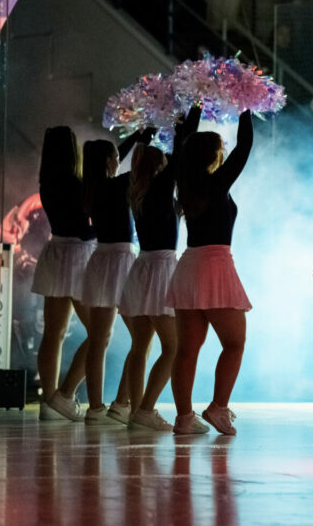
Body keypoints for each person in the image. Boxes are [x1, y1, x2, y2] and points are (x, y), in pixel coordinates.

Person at [167, 110, 254, 435]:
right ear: (213, 155)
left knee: (187, 348)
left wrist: (196, 108)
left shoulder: (185, 180)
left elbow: (182, 142)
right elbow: (244, 147)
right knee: (235, 342)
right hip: (214, 265)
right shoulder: (216, 183)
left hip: (189, 266)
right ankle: (218, 407)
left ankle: (184, 417)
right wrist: (246, 106)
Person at [118, 109, 200, 431]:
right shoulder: (159, 189)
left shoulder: (134, 190)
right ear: (159, 168)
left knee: (140, 346)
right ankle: (146, 408)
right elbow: (181, 152)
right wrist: (190, 114)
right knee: (174, 346)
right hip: (161, 269)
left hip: (141, 270)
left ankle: (138, 409)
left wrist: (154, 127)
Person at [78, 132, 147, 425]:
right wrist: (145, 141)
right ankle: (123, 403)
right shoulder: (120, 185)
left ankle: (96, 408)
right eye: (117, 158)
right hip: (122, 260)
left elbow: (106, 157)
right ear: (110, 162)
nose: (120, 160)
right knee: (142, 336)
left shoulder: (91, 187)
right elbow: (145, 166)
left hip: (100, 260)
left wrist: (137, 137)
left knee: (97, 338)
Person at [32, 126, 96, 422]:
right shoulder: (75, 182)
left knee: (53, 332)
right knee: (99, 332)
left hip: (55, 252)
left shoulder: (47, 181)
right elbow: (84, 231)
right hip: (78, 256)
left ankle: (49, 398)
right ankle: (66, 394)